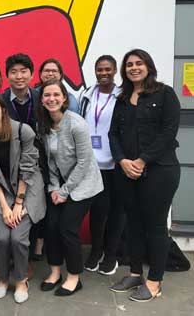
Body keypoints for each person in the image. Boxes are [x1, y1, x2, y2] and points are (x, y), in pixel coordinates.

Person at [108, 49, 181, 302]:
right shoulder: (122, 99)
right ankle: (136, 273)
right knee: (134, 224)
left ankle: (154, 282)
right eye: (129, 64)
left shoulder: (165, 93)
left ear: (148, 66)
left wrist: (141, 160)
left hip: (160, 170)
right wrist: (122, 161)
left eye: (139, 63)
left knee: (156, 226)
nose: (134, 68)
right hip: (128, 171)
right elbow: (113, 134)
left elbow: (168, 132)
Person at [0, 94, 45, 303]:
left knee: (18, 238)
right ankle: (3, 278)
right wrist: (6, 207)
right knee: (3, 238)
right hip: (1, 191)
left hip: (28, 188)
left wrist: (19, 204)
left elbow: (28, 170)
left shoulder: (23, 131)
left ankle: (22, 279)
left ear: (3, 111)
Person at [37, 78, 103, 296]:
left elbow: (84, 162)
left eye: (56, 94)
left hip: (85, 185)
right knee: (52, 226)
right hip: (61, 185)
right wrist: (54, 188)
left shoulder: (76, 123)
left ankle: (74, 277)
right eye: (47, 95)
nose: (51, 99)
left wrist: (65, 192)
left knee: (67, 227)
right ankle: (55, 272)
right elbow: (50, 160)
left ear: (64, 97)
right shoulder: (44, 124)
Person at [79, 55, 125, 275]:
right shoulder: (87, 95)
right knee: (97, 211)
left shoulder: (123, 96)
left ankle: (112, 253)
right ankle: (96, 251)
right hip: (92, 163)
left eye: (108, 69)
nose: (103, 73)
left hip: (116, 163)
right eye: (99, 69)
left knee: (116, 211)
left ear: (115, 70)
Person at [1, 53, 46, 261]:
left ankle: (32, 249)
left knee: (34, 204)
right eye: (14, 72)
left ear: (31, 74)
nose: (19, 76)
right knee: (13, 205)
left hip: (38, 161)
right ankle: (10, 253)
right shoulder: (0, 101)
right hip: (9, 162)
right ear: (7, 75)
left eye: (23, 71)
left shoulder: (41, 97)